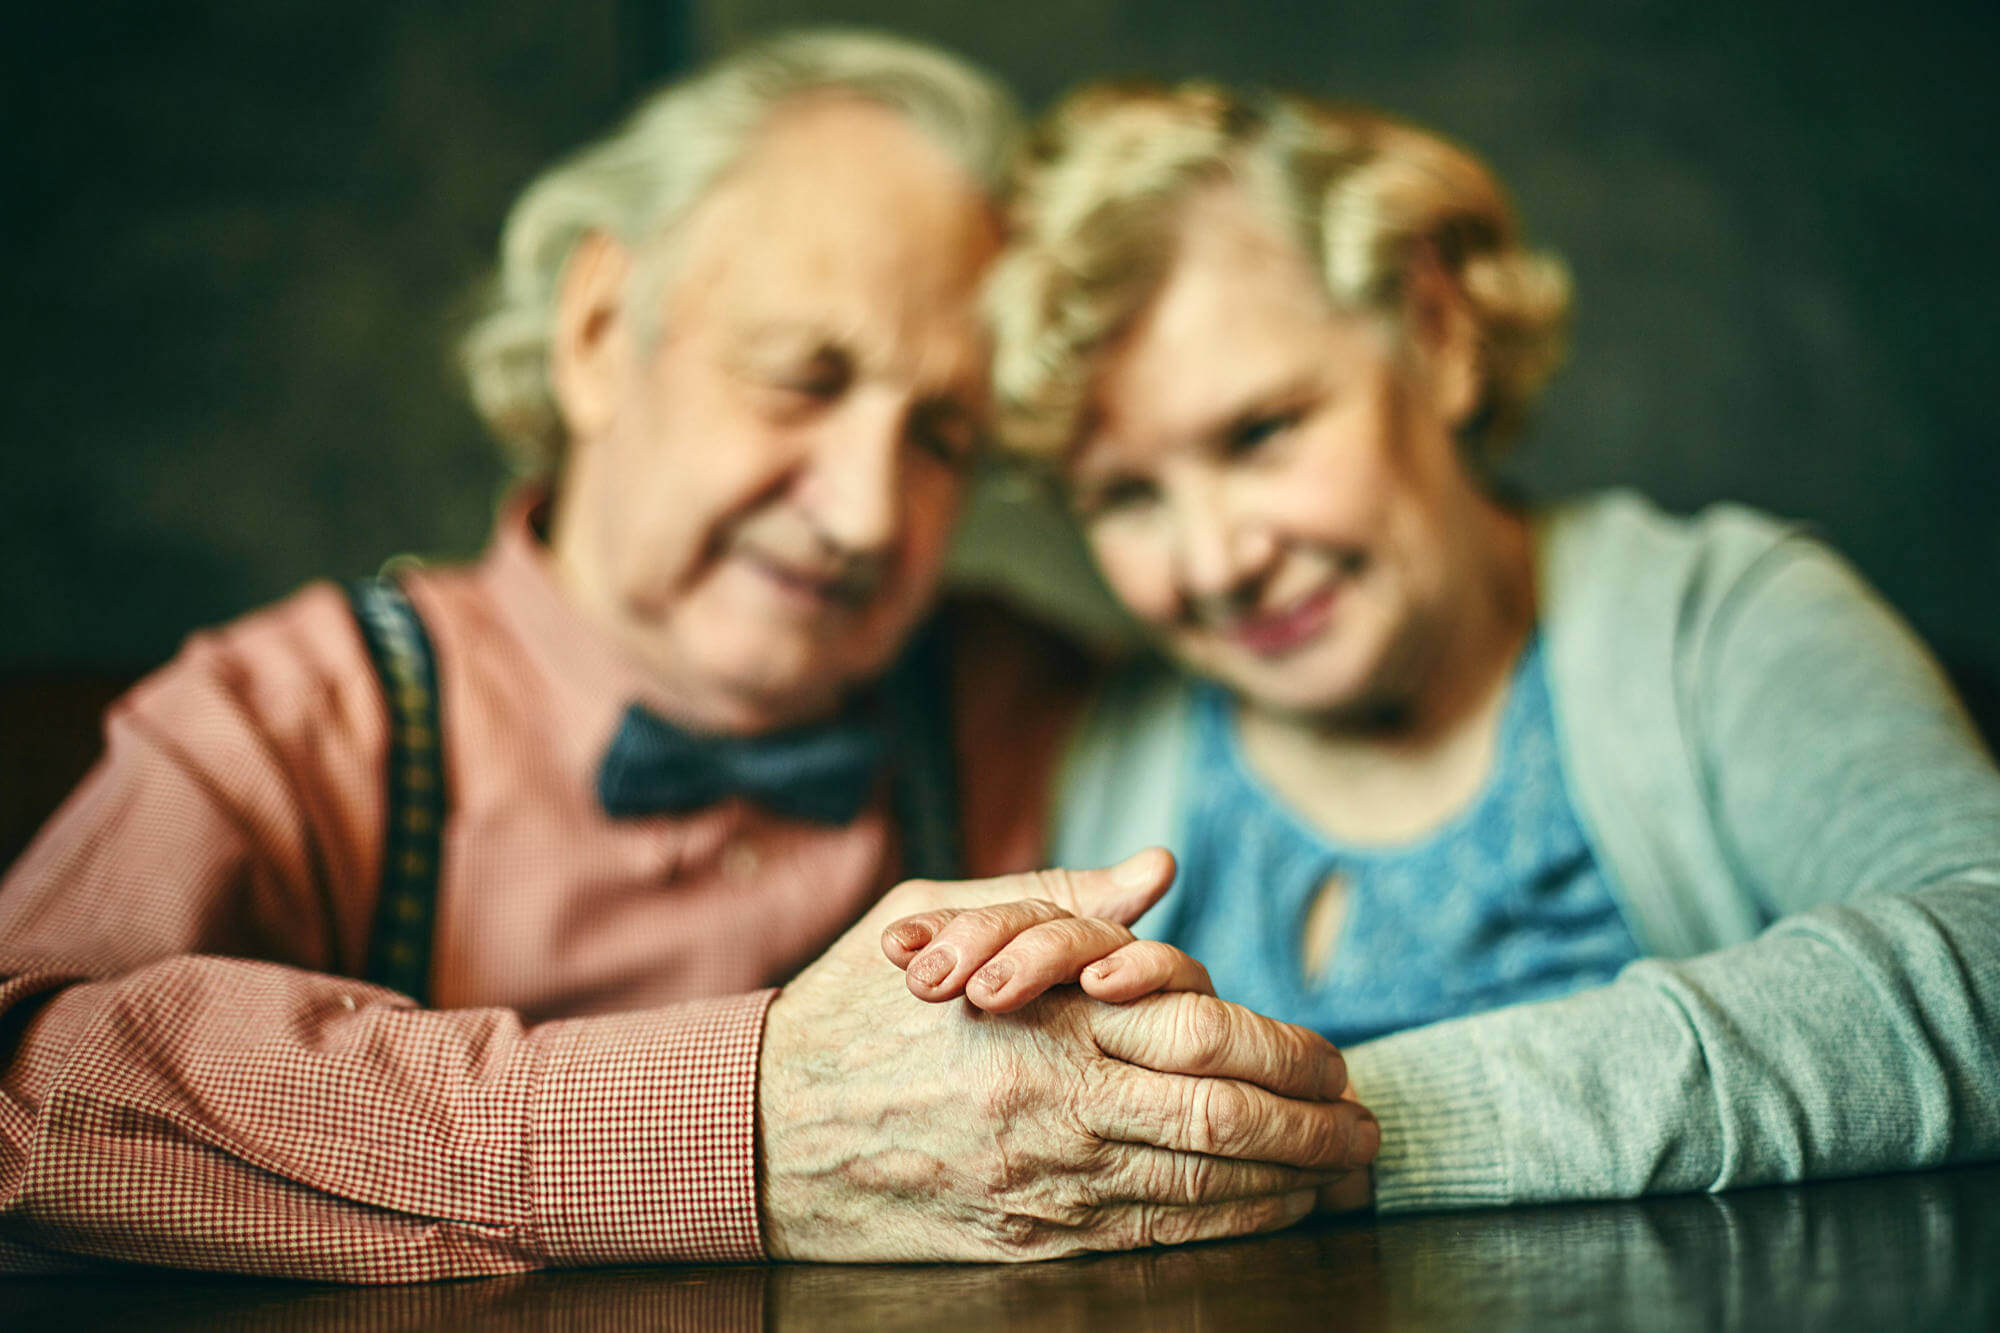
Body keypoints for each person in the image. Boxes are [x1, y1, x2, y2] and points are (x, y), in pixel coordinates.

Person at [0, 44, 1377, 1281]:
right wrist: (742, 1125)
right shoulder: (305, 711)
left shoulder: (1036, 703)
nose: (864, 513)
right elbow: (17, 1090)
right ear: (600, 331)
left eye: (943, 436)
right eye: (805, 375)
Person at [881, 80, 2000, 1214]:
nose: (1215, 561)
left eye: (1261, 432)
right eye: (1123, 495)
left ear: (1437, 331)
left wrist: (1327, 1131)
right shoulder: (1109, 755)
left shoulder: (1718, 624)